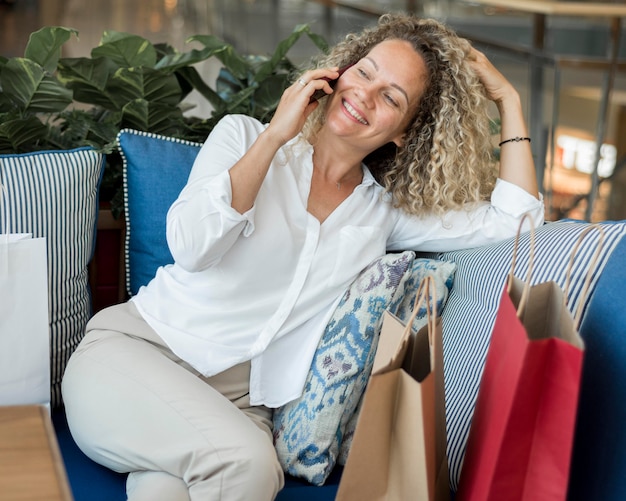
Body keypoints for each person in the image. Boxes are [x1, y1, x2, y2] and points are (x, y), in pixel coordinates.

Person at [62, 13, 544, 501]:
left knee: (173, 486)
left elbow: (516, 222)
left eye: (392, 97)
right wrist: (274, 136)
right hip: (134, 355)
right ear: (337, 74)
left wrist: (509, 101)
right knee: (249, 467)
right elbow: (191, 247)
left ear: (405, 132)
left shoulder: (384, 214)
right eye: (365, 72)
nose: (366, 95)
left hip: (237, 407)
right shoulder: (243, 138)